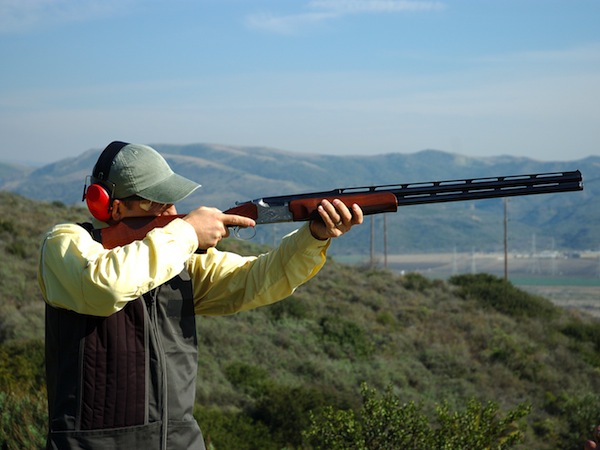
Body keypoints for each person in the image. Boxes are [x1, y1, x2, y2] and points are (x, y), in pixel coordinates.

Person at [38, 141, 364, 449]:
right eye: (157, 202)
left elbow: (260, 279)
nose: (171, 211)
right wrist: (186, 232)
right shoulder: (66, 243)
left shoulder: (179, 256)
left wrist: (313, 237)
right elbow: (107, 286)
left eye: (171, 200)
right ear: (112, 207)